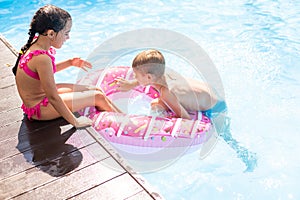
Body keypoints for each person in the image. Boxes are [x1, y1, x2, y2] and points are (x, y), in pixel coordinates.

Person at [12, 5, 120, 128]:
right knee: (98, 97)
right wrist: (76, 122)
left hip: (41, 98)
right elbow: (53, 97)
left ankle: (123, 116)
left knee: (96, 90)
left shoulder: (36, 44)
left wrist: (70, 62)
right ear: (51, 33)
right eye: (66, 33)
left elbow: (43, 73)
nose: (68, 38)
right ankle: (125, 124)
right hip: (39, 109)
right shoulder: (42, 58)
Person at [116, 49, 226, 120]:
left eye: (136, 75)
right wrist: (131, 84)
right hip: (212, 93)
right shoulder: (164, 73)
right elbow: (149, 78)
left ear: (149, 77)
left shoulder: (167, 93)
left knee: (156, 105)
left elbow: (185, 118)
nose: (135, 77)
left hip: (215, 110)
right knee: (158, 102)